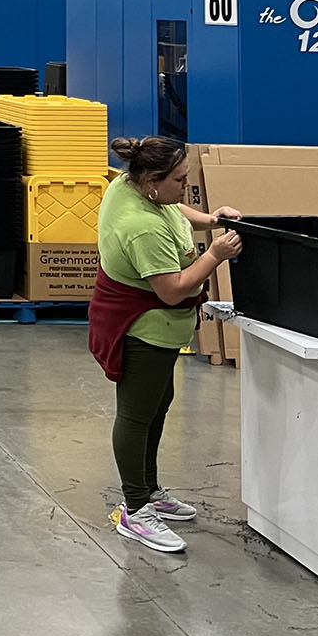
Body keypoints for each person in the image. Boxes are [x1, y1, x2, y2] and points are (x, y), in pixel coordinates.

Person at [90, 136, 243, 553]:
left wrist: (211, 219)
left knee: (158, 403)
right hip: (144, 329)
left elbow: (176, 209)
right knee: (137, 415)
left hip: (163, 331)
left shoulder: (131, 186)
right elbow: (173, 291)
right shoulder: (140, 228)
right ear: (154, 181)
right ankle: (135, 509)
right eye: (179, 179)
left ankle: (149, 488)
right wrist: (215, 255)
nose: (185, 185)